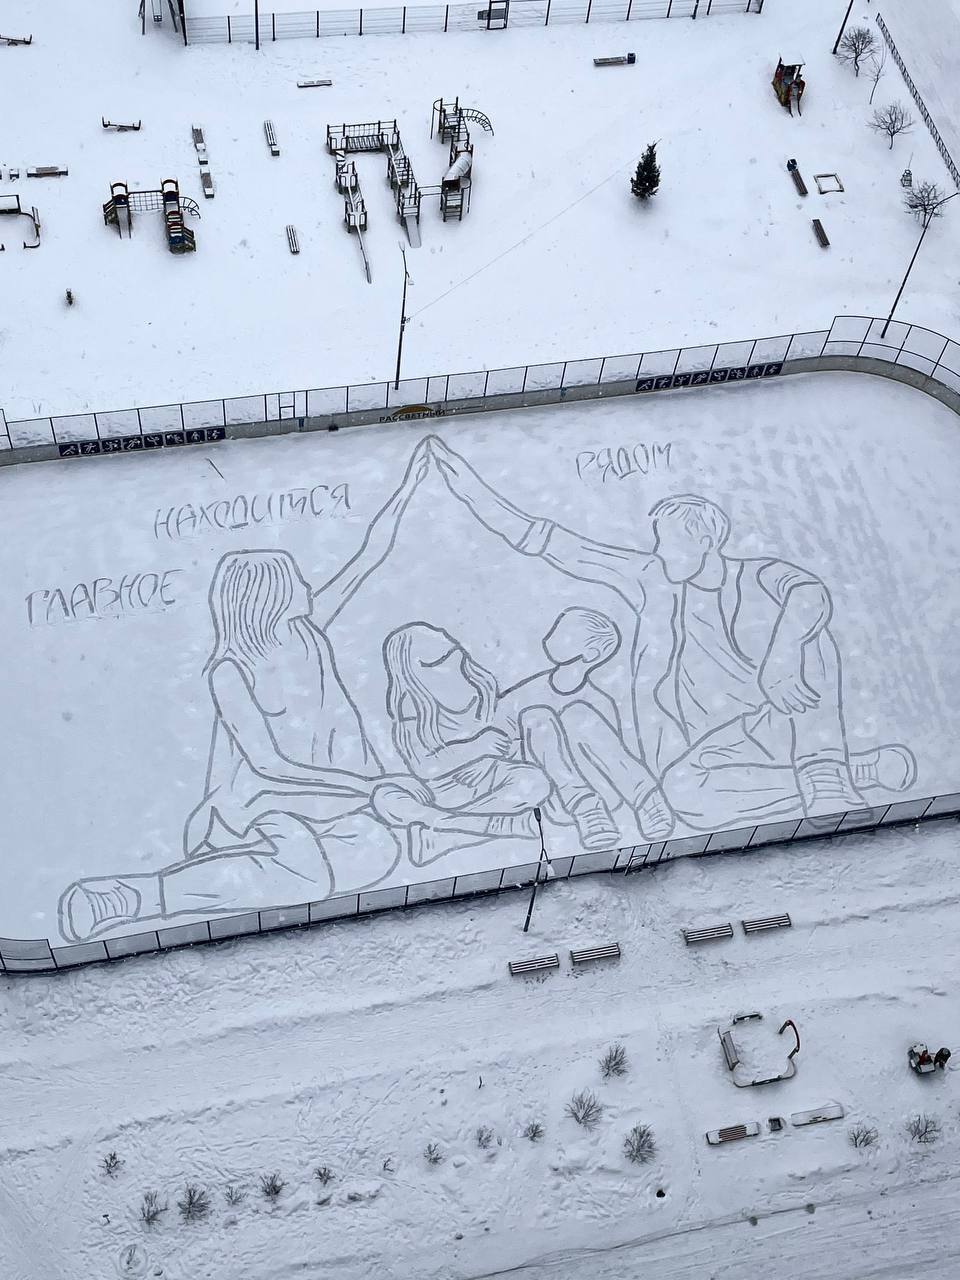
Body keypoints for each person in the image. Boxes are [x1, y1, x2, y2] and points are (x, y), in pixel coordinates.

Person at [428, 437, 917, 828]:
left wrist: (782, 655)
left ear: (705, 540)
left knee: (809, 631)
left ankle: (826, 773)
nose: (661, 553)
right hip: (721, 743)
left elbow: (809, 593)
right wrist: (471, 490)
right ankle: (856, 773)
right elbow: (556, 544)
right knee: (687, 799)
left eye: (669, 542)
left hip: (783, 711)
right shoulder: (653, 580)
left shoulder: (758, 575)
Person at [58, 447, 435, 943]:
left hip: (326, 803)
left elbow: (366, 557)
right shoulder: (231, 672)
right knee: (307, 877)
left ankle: (257, 872)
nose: (307, 584)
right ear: (268, 595)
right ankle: (134, 896)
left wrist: (407, 488)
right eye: (295, 579)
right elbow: (268, 766)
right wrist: (369, 787)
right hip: (258, 804)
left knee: (379, 853)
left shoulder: (307, 633)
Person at [378, 622, 624, 860]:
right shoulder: (413, 706)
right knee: (385, 797)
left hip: (493, 773)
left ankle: (584, 806)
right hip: (449, 786)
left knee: (535, 769)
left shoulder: (479, 684)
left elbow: (503, 731)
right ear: (414, 671)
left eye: (452, 653)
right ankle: (477, 826)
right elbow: (423, 766)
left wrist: (495, 752)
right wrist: (476, 749)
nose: (450, 664)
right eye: (437, 662)